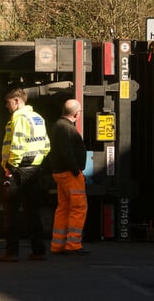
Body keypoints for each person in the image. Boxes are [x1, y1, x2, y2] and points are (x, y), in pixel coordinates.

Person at [0, 88, 50, 262]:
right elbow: (46, 145)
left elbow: (17, 144)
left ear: (17, 101)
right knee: (33, 212)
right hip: (34, 169)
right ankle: (39, 251)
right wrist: (37, 161)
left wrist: (10, 168)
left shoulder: (18, 118)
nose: (7, 106)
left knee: (11, 213)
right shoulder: (38, 118)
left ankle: (11, 252)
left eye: (9, 102)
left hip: (17, 170)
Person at [48, 99, 89, 256]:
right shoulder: (65, 128)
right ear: (76, 113)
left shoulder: (58, 126)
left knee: (63, 208)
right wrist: (76, 171)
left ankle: (57, 244)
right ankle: (73, 244)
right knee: (78, 208)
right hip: (70, 174)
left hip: (60, 173)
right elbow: (67, 152)